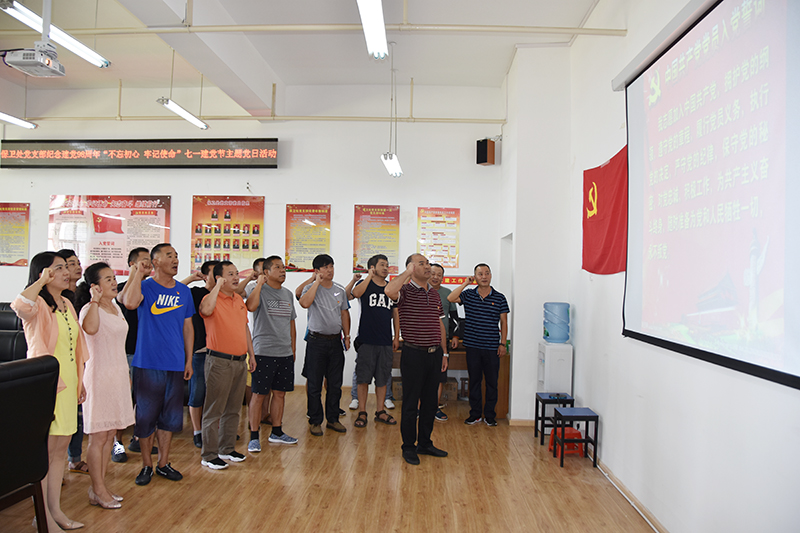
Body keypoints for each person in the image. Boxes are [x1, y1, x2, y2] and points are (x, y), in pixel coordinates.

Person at [12, 251, 88, 531]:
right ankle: (41, 515)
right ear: (43, 273)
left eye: (66, 267)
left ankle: (55, 510)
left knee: (59, 451)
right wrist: (40, 282)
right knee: (45, 452)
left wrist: (80, 381)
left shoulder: (67, 303)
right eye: (59, 268)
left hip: (69, 382)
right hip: (47, 385)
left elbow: (75, 348)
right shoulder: (38, 305)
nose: (66, 272)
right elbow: (19, 305)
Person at [120, 243, 194, 486]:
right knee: (146, 417)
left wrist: (188, 359)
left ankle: (163, 463)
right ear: (156, 261)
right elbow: (130, 303)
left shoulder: (184, 291)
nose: (175, 260)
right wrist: (137, 274)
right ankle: (146, 465)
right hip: (148, 363)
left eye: (176, 256)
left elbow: (188, 327)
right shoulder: (145, 286)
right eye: (169, 255)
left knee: (169, 419)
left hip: (175, 364)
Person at [76, 262, 135, 509]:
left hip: (118, 375)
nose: (114, 282)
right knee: (98, 436)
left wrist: (126, 375)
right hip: (98, 377)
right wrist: (94, 300)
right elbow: (90, 329)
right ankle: (98, 489)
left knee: (111, 434)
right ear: (95, 286)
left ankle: (99, 487)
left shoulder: (116, 307)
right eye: (108, 279)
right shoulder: (89, 309)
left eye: (113, 277)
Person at [385, 254, 449, 465]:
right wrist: (407, 273)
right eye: (422, 263)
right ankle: (408, 447)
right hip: (414, 354)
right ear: (411, 268)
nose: (427, 266)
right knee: (411, 404)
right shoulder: (404, 291)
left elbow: (439, 325)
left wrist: (444, 352)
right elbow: (389, 291)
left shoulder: (434, 294)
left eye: (428, 263)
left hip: (435, 354)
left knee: (430, 403)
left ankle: (425, 443)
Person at [199, 261, 256, 469]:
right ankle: (209, 455)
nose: (236, 277)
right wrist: (216, 286)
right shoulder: (210, 299)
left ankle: (227, 448)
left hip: (240, 361)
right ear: (219, 278)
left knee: (233, 409)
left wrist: (251, 355)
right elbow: (206, 311)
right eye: (230, 274)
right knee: (214, 410)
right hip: (219, 362)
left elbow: (244, 328)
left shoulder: (239, 299)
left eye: (236, 273)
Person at [246, 256, 298, 451]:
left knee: (280, 394)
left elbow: (291, 323)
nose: (283, 270)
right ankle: (254, 436)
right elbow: (250, 307)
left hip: (284, 352)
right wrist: (259, 284)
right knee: (259, 394)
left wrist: (293, 348)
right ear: (266, 272)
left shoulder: (288, 294)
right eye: (277, 267)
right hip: (264, 351)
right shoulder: (257, 289)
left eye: (283, 267)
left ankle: (277, 432)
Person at [448, 263, 509, 426]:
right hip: (473, 346)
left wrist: (502, 344)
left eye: (487, 273)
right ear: (475, 277)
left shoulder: (499, 297)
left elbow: (504, 322)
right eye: (480, 274)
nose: (484, 276)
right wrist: (465, 283)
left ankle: (489, 415)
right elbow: (451, 298)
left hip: (492, 347)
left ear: (491, 275)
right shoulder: (468, 295)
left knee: (492, 382)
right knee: (474, 381)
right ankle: (475, 414)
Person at [298, 254, 350, 436]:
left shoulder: (339, 290)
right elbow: (304, 303)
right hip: (316, 342)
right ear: (317, 270)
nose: (330, 270)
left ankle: (333, 419)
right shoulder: (309, 288)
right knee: (314, 384)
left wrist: (347, 335)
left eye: (331, 266)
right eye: (325, 267)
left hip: (335, 342)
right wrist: (316, 282)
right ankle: (315, 421)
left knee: (335, 384)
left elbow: (344, 313)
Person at [350, 254, 399, 428]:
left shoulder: (391, 287)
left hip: (385, 340)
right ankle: (362, 412)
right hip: (366, 340)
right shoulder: (364, 284)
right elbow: (355, 294)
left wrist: (396, 336)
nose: (386, 268)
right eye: (382, 265)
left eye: (387, 265)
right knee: (363, 378)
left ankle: (380, 411)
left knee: (382, 378)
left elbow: (395, 313)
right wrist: (368, 276)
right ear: (372, 267)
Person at [114, 247, 154, 460]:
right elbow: (126, 301)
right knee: (124, 399)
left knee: (144, 399)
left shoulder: (152, 288)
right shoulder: (122, 288)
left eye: (150, 260)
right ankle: (117, 443)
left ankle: (138, 438)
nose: (148, 264)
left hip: (146, 353)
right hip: (126, 352)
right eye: (143, 260)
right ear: (132, 264)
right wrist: (135, 275)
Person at [56, 249, 89, 475]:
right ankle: (53, 467)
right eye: (70, 264)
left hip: (81, 357)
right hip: (61, 362)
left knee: (77, 412)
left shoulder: (84, 292)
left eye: (78, 263)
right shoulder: (53, 298)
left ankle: (74, 458)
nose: (76, 267)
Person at [187, 260, 219, 449]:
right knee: (197, 394)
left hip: (219, 352)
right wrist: (192, 278)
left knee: (216, 395)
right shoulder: (196, 293)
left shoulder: (223, 295)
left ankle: (213, 430)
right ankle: (197, 432)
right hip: (200, 352)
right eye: (215, 273)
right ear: (206, 276)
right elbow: (172, 291)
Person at [429, 263, 461, 422]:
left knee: (439, 377)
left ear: (443, 277)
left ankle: (434, 407)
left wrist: (455, 336)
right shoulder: (419, 291)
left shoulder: (448, 293)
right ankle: (420, 408)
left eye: (439, 274)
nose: (435, 277)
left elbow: (455, 319)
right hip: (422, 340)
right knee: (420, 377)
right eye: (432, 273)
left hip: (441, 341)